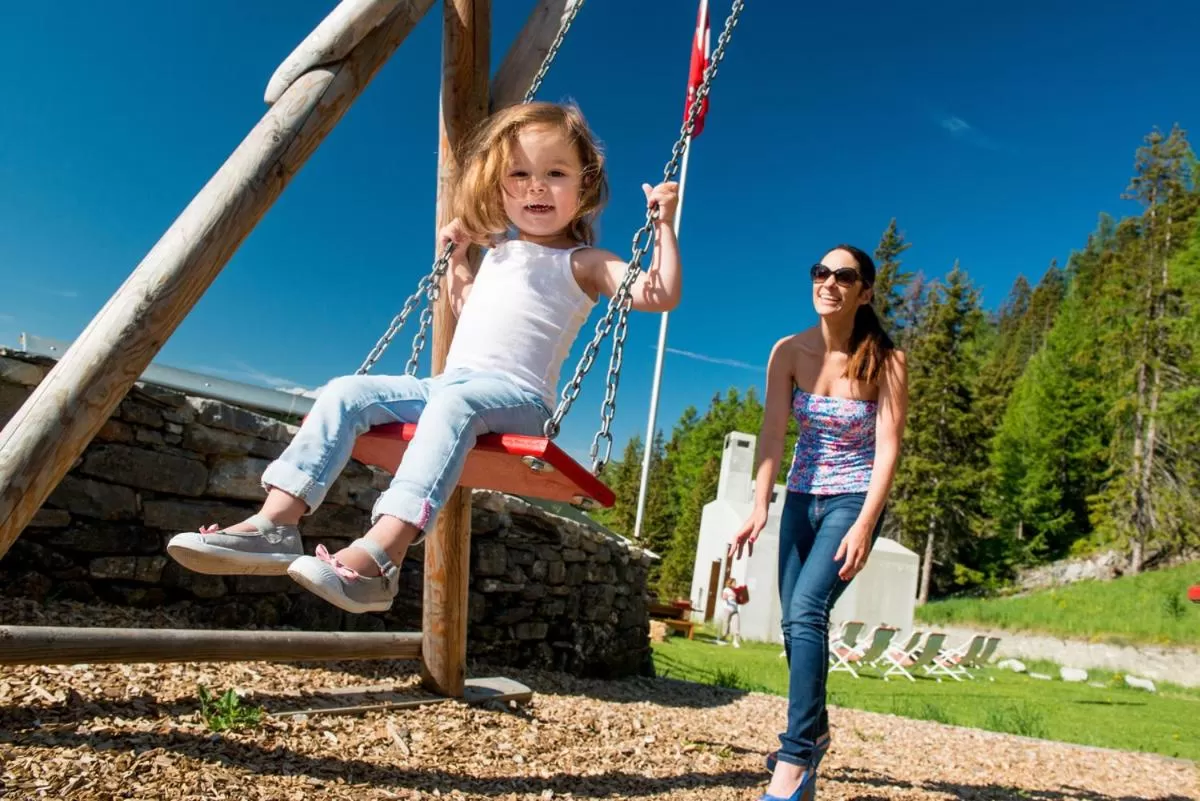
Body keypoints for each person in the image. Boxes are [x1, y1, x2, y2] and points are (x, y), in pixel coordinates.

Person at [166, 102, 682, 614]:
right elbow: (466, 306)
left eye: (555, 173)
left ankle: (379, 558)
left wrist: (663, 226)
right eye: (519, 173)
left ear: (585, 185)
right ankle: (275, 524)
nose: (535, 186)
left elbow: (657, 294)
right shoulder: (497, 254)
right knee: (346, 391)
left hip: (519, 398)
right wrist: (455, 260)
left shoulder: (586, 261)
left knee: (452, 407)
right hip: (452, 384)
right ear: (499, 186)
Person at [729, 245, 908, 801]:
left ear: (865, 291)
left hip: (852, 502)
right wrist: (760, 504)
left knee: (808, 610)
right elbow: (774, 435)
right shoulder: (789, 351)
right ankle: (817, 730)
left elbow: (889, 448)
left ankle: (794, 759)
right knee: (792, 625)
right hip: (801, 498)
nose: (829, 282)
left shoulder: (888, 361)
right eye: (820, 272)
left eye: (844, 276)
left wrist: (865, 524)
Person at [716, 577, 742, 647]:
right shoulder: (726, 589)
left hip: (735, 610)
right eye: (734, 583)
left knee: (736, 625)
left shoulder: (735, 591)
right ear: (730, 583)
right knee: (726, 624)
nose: (735, 584)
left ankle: (735, 641)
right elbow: (724, 597)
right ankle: (723, 637)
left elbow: (738, 600)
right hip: (727, 609)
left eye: (735, 583)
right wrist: (730, 595)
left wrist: (739, 598)